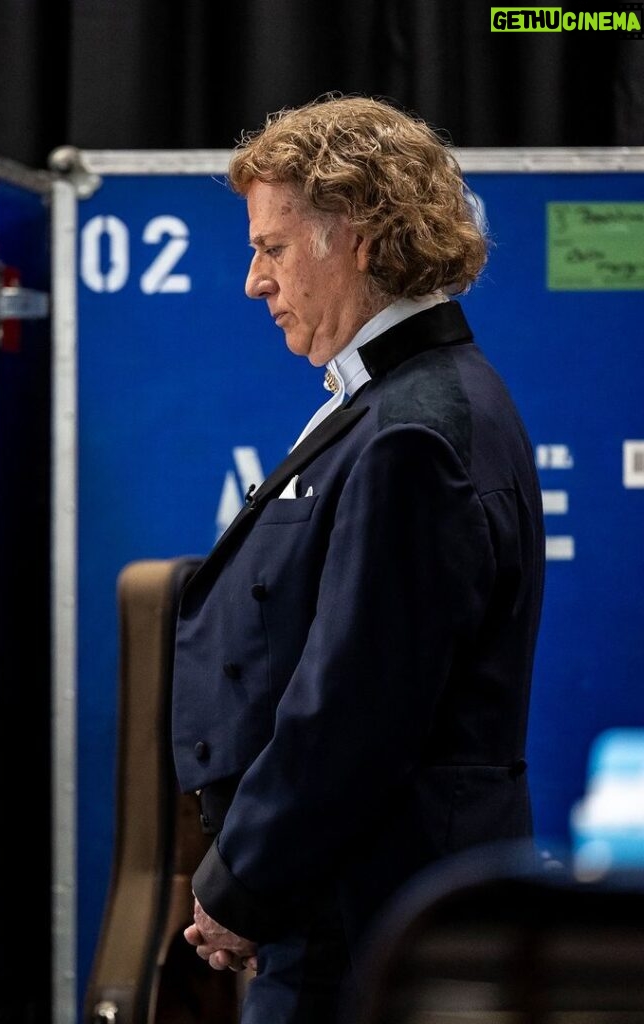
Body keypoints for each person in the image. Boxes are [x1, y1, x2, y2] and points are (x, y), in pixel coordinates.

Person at [170, 95, 545, 1023]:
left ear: (363, 238)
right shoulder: (398, 401)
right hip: (354, 904)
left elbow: (355, 705)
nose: (255, 280)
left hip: (366, 923)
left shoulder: (415, 429)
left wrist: (241, 882)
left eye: (274, 248)